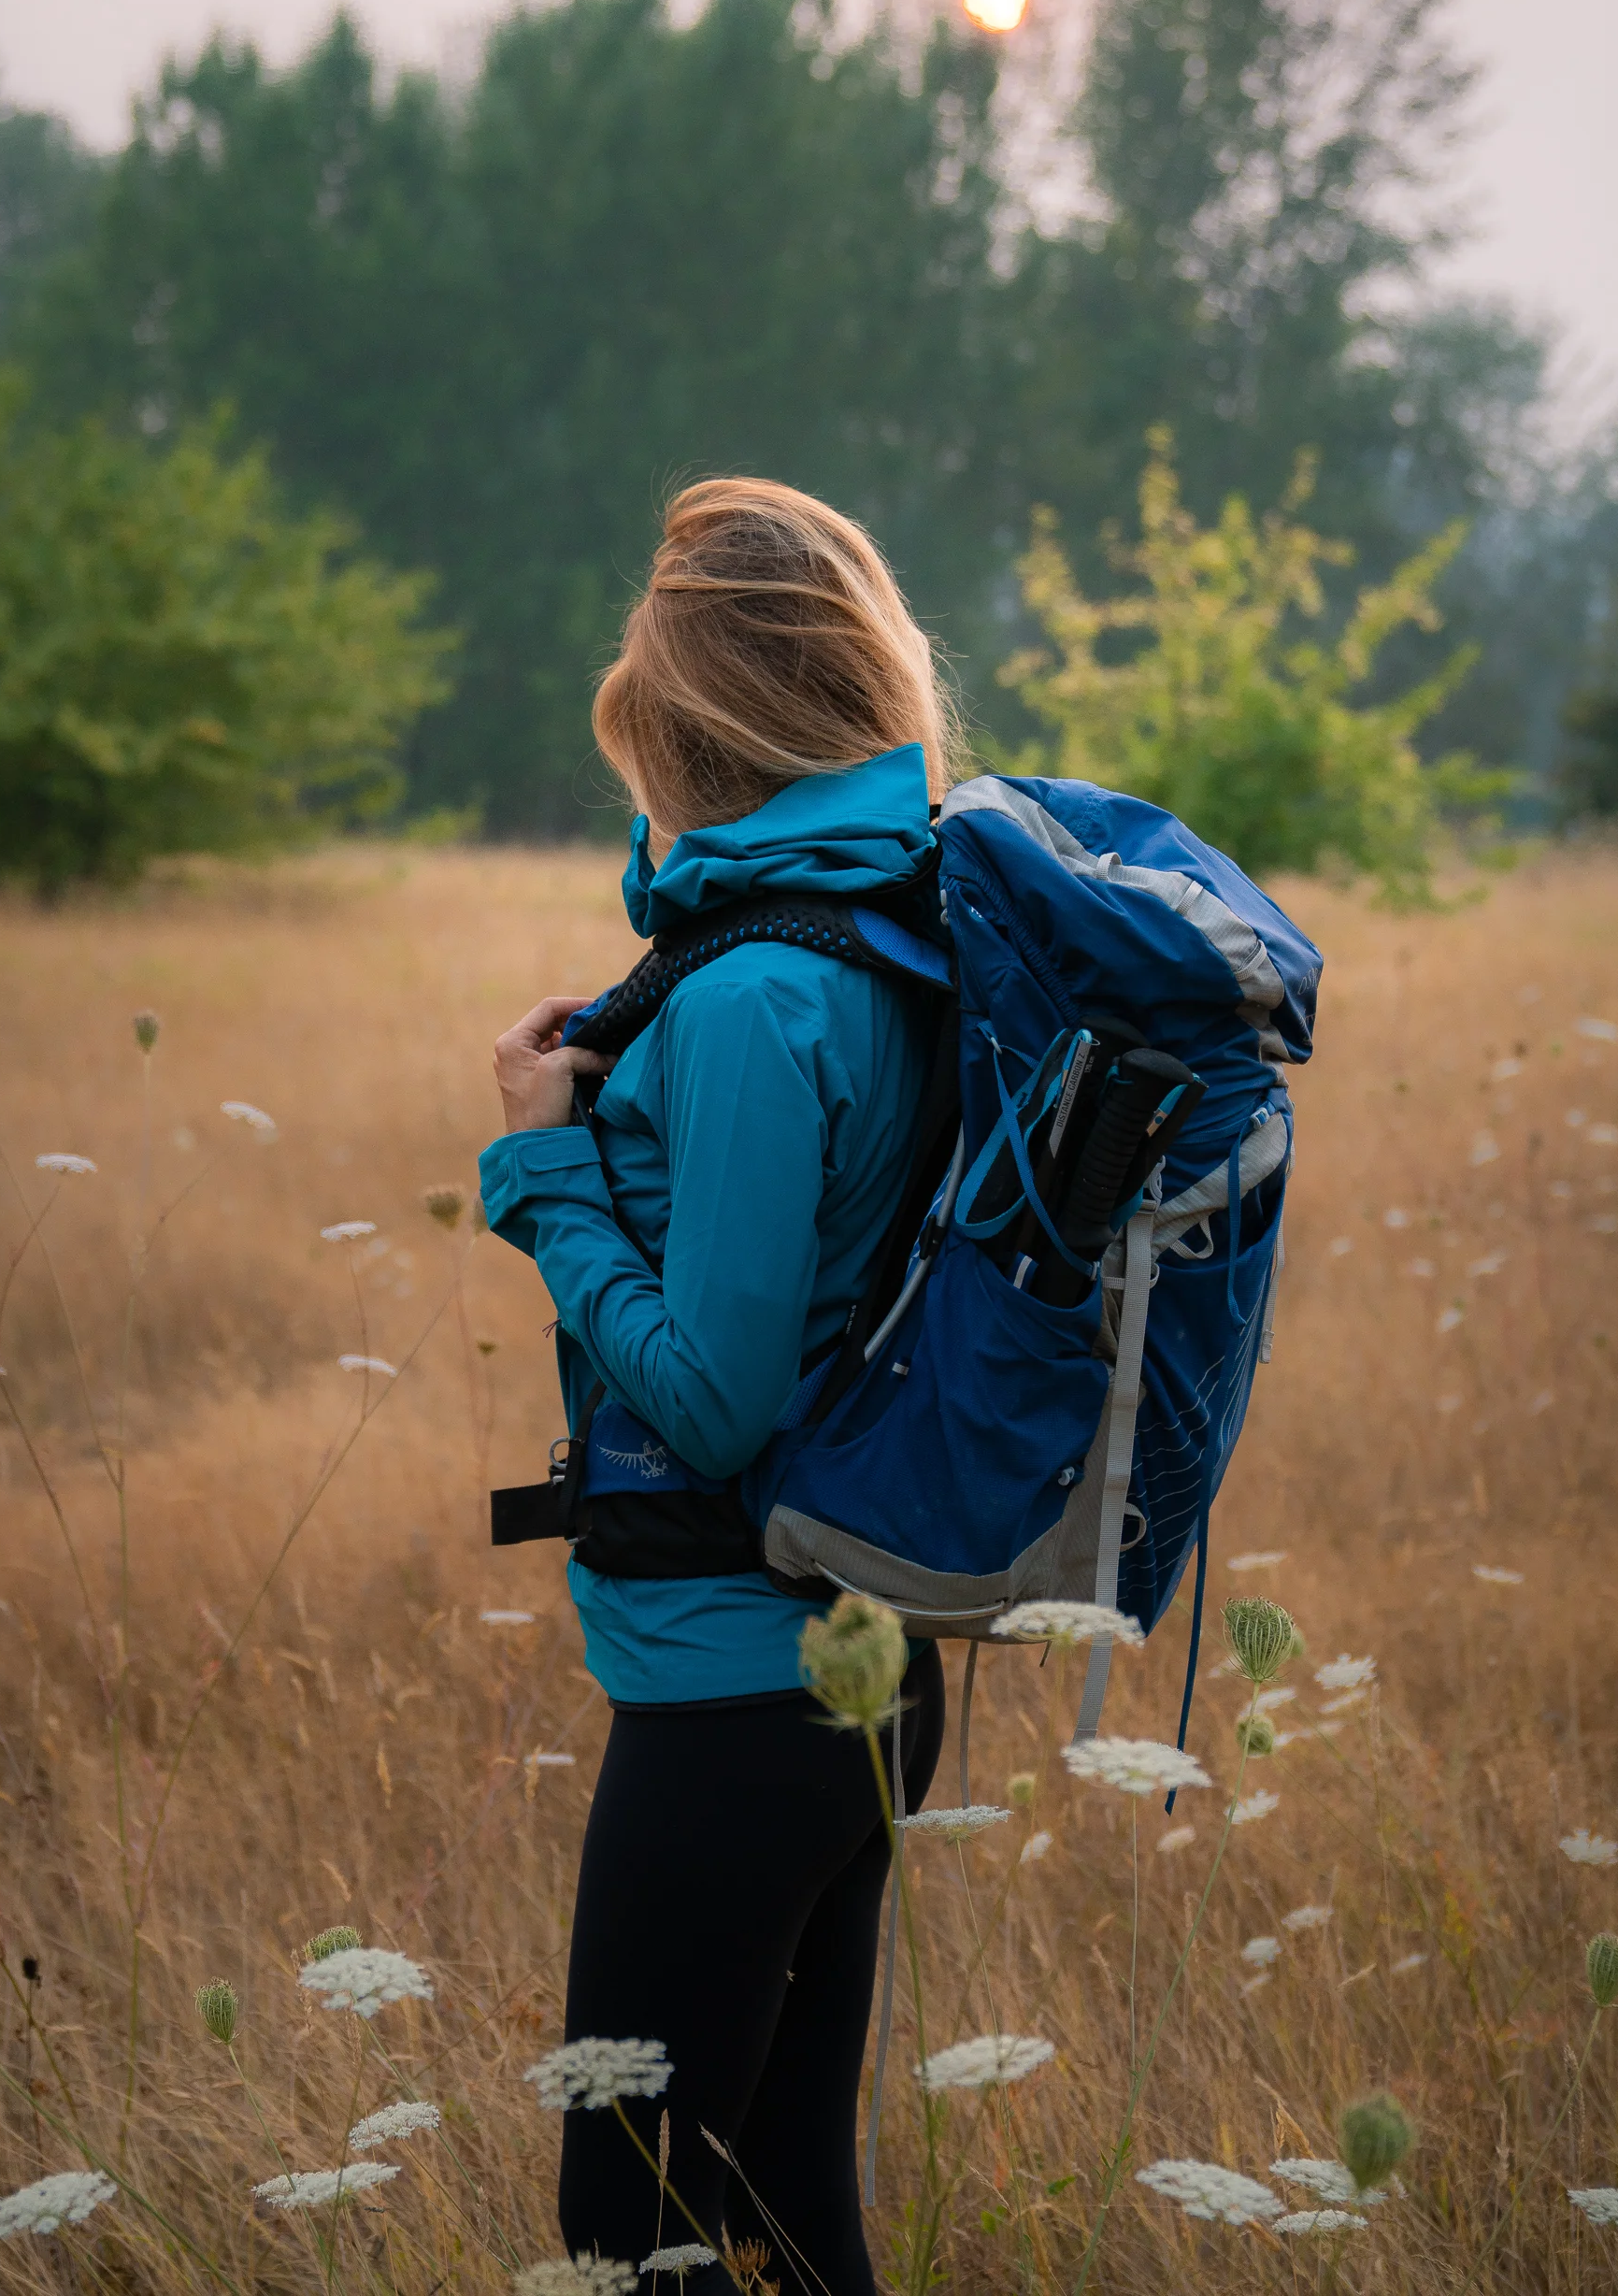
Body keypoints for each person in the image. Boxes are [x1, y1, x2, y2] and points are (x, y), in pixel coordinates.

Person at [480, 479, 956, 2293]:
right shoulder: (881, 935)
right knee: (772, 2196)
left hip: (745, 1686)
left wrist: (540, 1171)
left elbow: (716, 1401)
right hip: (846, 1661)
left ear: (693, 734)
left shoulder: (761, 995)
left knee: (626, 2223)